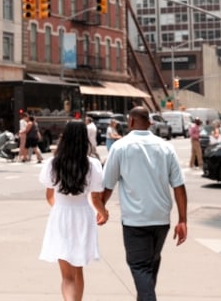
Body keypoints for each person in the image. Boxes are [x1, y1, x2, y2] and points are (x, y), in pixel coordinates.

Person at [102, 106, 187, 301]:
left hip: (135, 221)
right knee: (150, 265)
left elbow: (107, 186)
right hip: (161, 220)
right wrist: (182, 220)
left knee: (140, 268)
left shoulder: (120, 147)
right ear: (150, 123)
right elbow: (179, 187)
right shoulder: (166, 147)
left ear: (130, 122)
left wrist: (101, 208)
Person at [39, 120, 108, 301]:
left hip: (60, 215)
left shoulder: (53, 164)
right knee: (78, 270)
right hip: (83, 215)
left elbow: (49, 195)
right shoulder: (92, 164)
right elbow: (95, 197)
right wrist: (104, 212)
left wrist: (60, 210)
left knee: (67, 276)